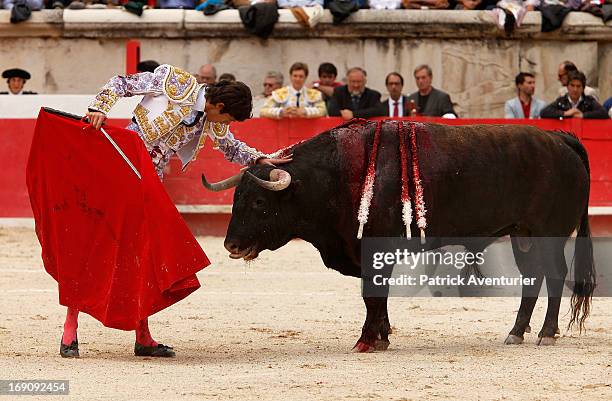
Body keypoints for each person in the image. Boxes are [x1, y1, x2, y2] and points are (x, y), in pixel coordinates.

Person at [56, 64, 291, 359]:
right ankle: (70, 329)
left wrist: (260, 157)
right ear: (219, 105)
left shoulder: (212, 119)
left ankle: (143, 336)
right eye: (227, 117)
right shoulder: (174, 82)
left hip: (148, 186)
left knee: (144, 256)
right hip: (116, 171)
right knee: (91, 246)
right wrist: (99, 107)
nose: (225, 123)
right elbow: (121, 83)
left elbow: (230, 148)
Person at [260, 62, 326, 119]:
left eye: (301, 76)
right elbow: (263, 111)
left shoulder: (314, 94)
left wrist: (306, 111)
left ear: (305, 77)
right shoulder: (280, 93)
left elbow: (323, 111)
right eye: (295, 76)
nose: (297, 79)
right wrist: (281, 112)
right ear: (290, 76)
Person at [541, 70, 608, 120]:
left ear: (583, 88)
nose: (575, 89)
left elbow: (603, 113)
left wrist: (583, 115)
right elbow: (544, 112)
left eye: (578, 86)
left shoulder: (588, 101)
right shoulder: (561, 101)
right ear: (567, 87)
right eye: (572, 85)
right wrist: (565, 113)